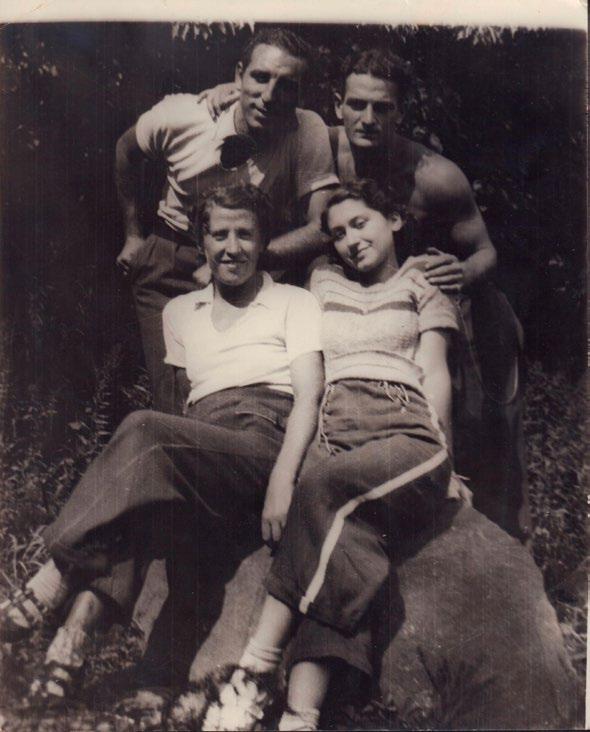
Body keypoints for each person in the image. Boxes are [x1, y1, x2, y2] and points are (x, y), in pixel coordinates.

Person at [0, 184, 324, 716]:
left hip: (262, 438)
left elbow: (310, 396)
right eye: (219, 234)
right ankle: (69, 651)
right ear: (202, 241)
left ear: (265, 240)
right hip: (199, 443)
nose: (232, 247)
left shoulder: (294, 301)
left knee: (144, 431)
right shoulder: (181, 312)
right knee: (136, 500)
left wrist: (283, 481)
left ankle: (51, 576)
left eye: (246, 234)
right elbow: (178, 408)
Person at [164, 179, 464, 732]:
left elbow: (436, 372)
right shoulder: (322, 282)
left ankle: (255, 668)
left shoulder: (424, 286)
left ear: (395, 220)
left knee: (323, 493)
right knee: (337, 542)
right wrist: (215, 262)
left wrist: (448, 461)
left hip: (403, 423)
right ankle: (300, 717)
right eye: (338, 232)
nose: (351, 239)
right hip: (336, 424)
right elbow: (262, 259)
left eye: (361, 223)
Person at [200, 47, 530, 542]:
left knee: (488, 383)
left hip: (432, 287)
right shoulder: (321, 143)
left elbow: (486, 251)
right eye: (356, 104)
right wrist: (224, 93)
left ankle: (505, 524)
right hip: (353, 291)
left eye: (382, 107)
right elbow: (263, 111)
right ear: (339, 104)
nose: (367, 118)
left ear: (402, 111)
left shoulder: (435, 176)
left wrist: (460, 272)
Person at [115, 28, 337, 413]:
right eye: (260, 77)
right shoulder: (185, 116)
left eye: (286, 86)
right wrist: (133, 234)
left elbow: (322, 227)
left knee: (243, 392)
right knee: (175, 401)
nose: (269, 95)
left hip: (251, 266)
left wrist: (242, 260)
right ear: (238, 75)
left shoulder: (307, 130)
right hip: (172, 260)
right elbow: (125, 150)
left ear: (300, 94)